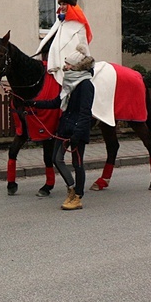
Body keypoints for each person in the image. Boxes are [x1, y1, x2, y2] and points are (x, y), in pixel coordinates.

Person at [29, 44, 95, 210]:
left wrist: (77, 134)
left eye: (68, 64)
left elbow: (85, 112)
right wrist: (34, 103)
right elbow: (57, 102)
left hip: (77, 132)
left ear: (77, 67)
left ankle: (77, 197)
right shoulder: (69, 83)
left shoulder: (86, 85)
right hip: (64, 128)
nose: (65, 66)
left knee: (77, 163)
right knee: (56, 159)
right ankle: (71, 188)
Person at [35, 0, 93, 86]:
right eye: (60, 4)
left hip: (68, 63)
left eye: (64, 4)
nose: (61, 7)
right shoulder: (59, 21)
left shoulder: (78, 25)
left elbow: (83, 46)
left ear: (70, 6)